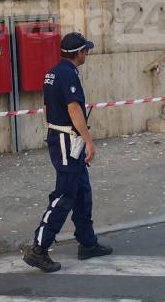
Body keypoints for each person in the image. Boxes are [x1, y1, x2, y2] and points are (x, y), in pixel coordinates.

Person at [23, 32, 112, 272]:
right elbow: (74, 109)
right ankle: (38, 249)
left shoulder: (52, 72)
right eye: (86, 50)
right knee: (64, 195)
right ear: (79, 53)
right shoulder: (67, 74)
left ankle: (87, 243)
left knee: (82, 191)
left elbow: (46, 106)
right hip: (67, 140)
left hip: (61, 137)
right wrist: (89, 141)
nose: (87, 54)